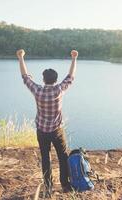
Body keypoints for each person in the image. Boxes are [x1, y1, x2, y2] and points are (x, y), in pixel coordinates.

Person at [16, 49, 78, 197]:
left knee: (46, 158)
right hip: (57, 131)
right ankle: (65, 185)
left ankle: (48, 188)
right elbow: (71, 76)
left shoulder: (37, 90)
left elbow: (25, 77)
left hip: (42, 131)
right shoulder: (59, 90)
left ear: (43, 80)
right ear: (56, 80)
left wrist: (20, 58)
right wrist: (74, 59)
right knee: (63, 156)